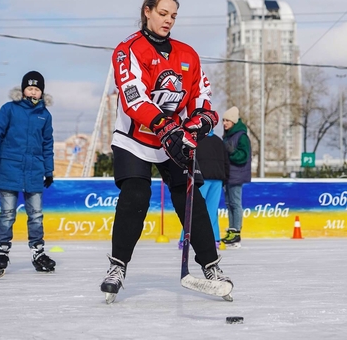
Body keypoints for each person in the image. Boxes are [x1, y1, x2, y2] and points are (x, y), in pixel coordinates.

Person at [100, 0, 233, 303]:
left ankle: (211, 266)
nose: (169, 20)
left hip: (173, 138)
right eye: (162, 13)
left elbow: (201, 99)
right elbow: (133, 97)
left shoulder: (188, 54)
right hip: (135, 138)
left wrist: (198, 123)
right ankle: (117, 267)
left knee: (189, 197)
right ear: (146, 11)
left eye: (173, 15)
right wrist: (163, 126)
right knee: (136, 194)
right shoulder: (128, 50)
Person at [0, 70, 56, 272]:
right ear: (23, 90)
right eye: (30, 88)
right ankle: (2, 251)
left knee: (36, 216)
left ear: (42, 93)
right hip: (9, 169)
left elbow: (47, 144)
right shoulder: (9, 109)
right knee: (7, 214)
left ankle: (38, 253)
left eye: (37, 89)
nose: (33, 93)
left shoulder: (45, 115)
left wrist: (49, 170)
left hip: (34, 172)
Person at [178, 129, 230, 249]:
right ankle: (215, 239)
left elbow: (188, 159)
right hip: (217, 178)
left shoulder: (196, 141)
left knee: (193, 209)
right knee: (212, 210)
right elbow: (226, 162)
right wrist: (225, 179)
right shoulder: (218, 141)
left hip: (202, 178)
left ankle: (184, 239)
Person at [220, 106, 252, 248]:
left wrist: (231, 151)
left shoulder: (241, 136)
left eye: (227, 120)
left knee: (235, 203)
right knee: (229, 204)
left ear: (233, 121)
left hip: (236, 175)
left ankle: (236, 232)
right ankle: (231, 231)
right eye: (223, 120)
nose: (224, 123)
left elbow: (244, 156)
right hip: (228, 175)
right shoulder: (228, 136)